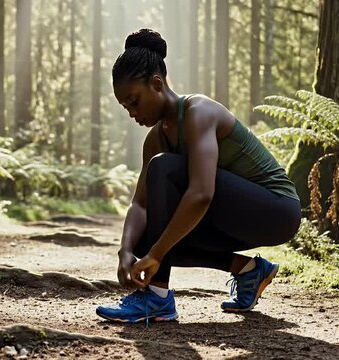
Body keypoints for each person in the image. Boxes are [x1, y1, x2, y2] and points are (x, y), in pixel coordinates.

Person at [95, 29, 301, 324]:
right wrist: (126, 251)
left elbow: (201, 193)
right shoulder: (155, 140)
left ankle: (155, 297)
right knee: (147, 233)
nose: (131, 113)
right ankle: (248, 270)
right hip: (233, 215)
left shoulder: (198, 112)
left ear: (156, 84)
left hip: (277, 209)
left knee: (162, 171)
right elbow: (140, 205)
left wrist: (155, 253)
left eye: (134, 101)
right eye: (125, 106)